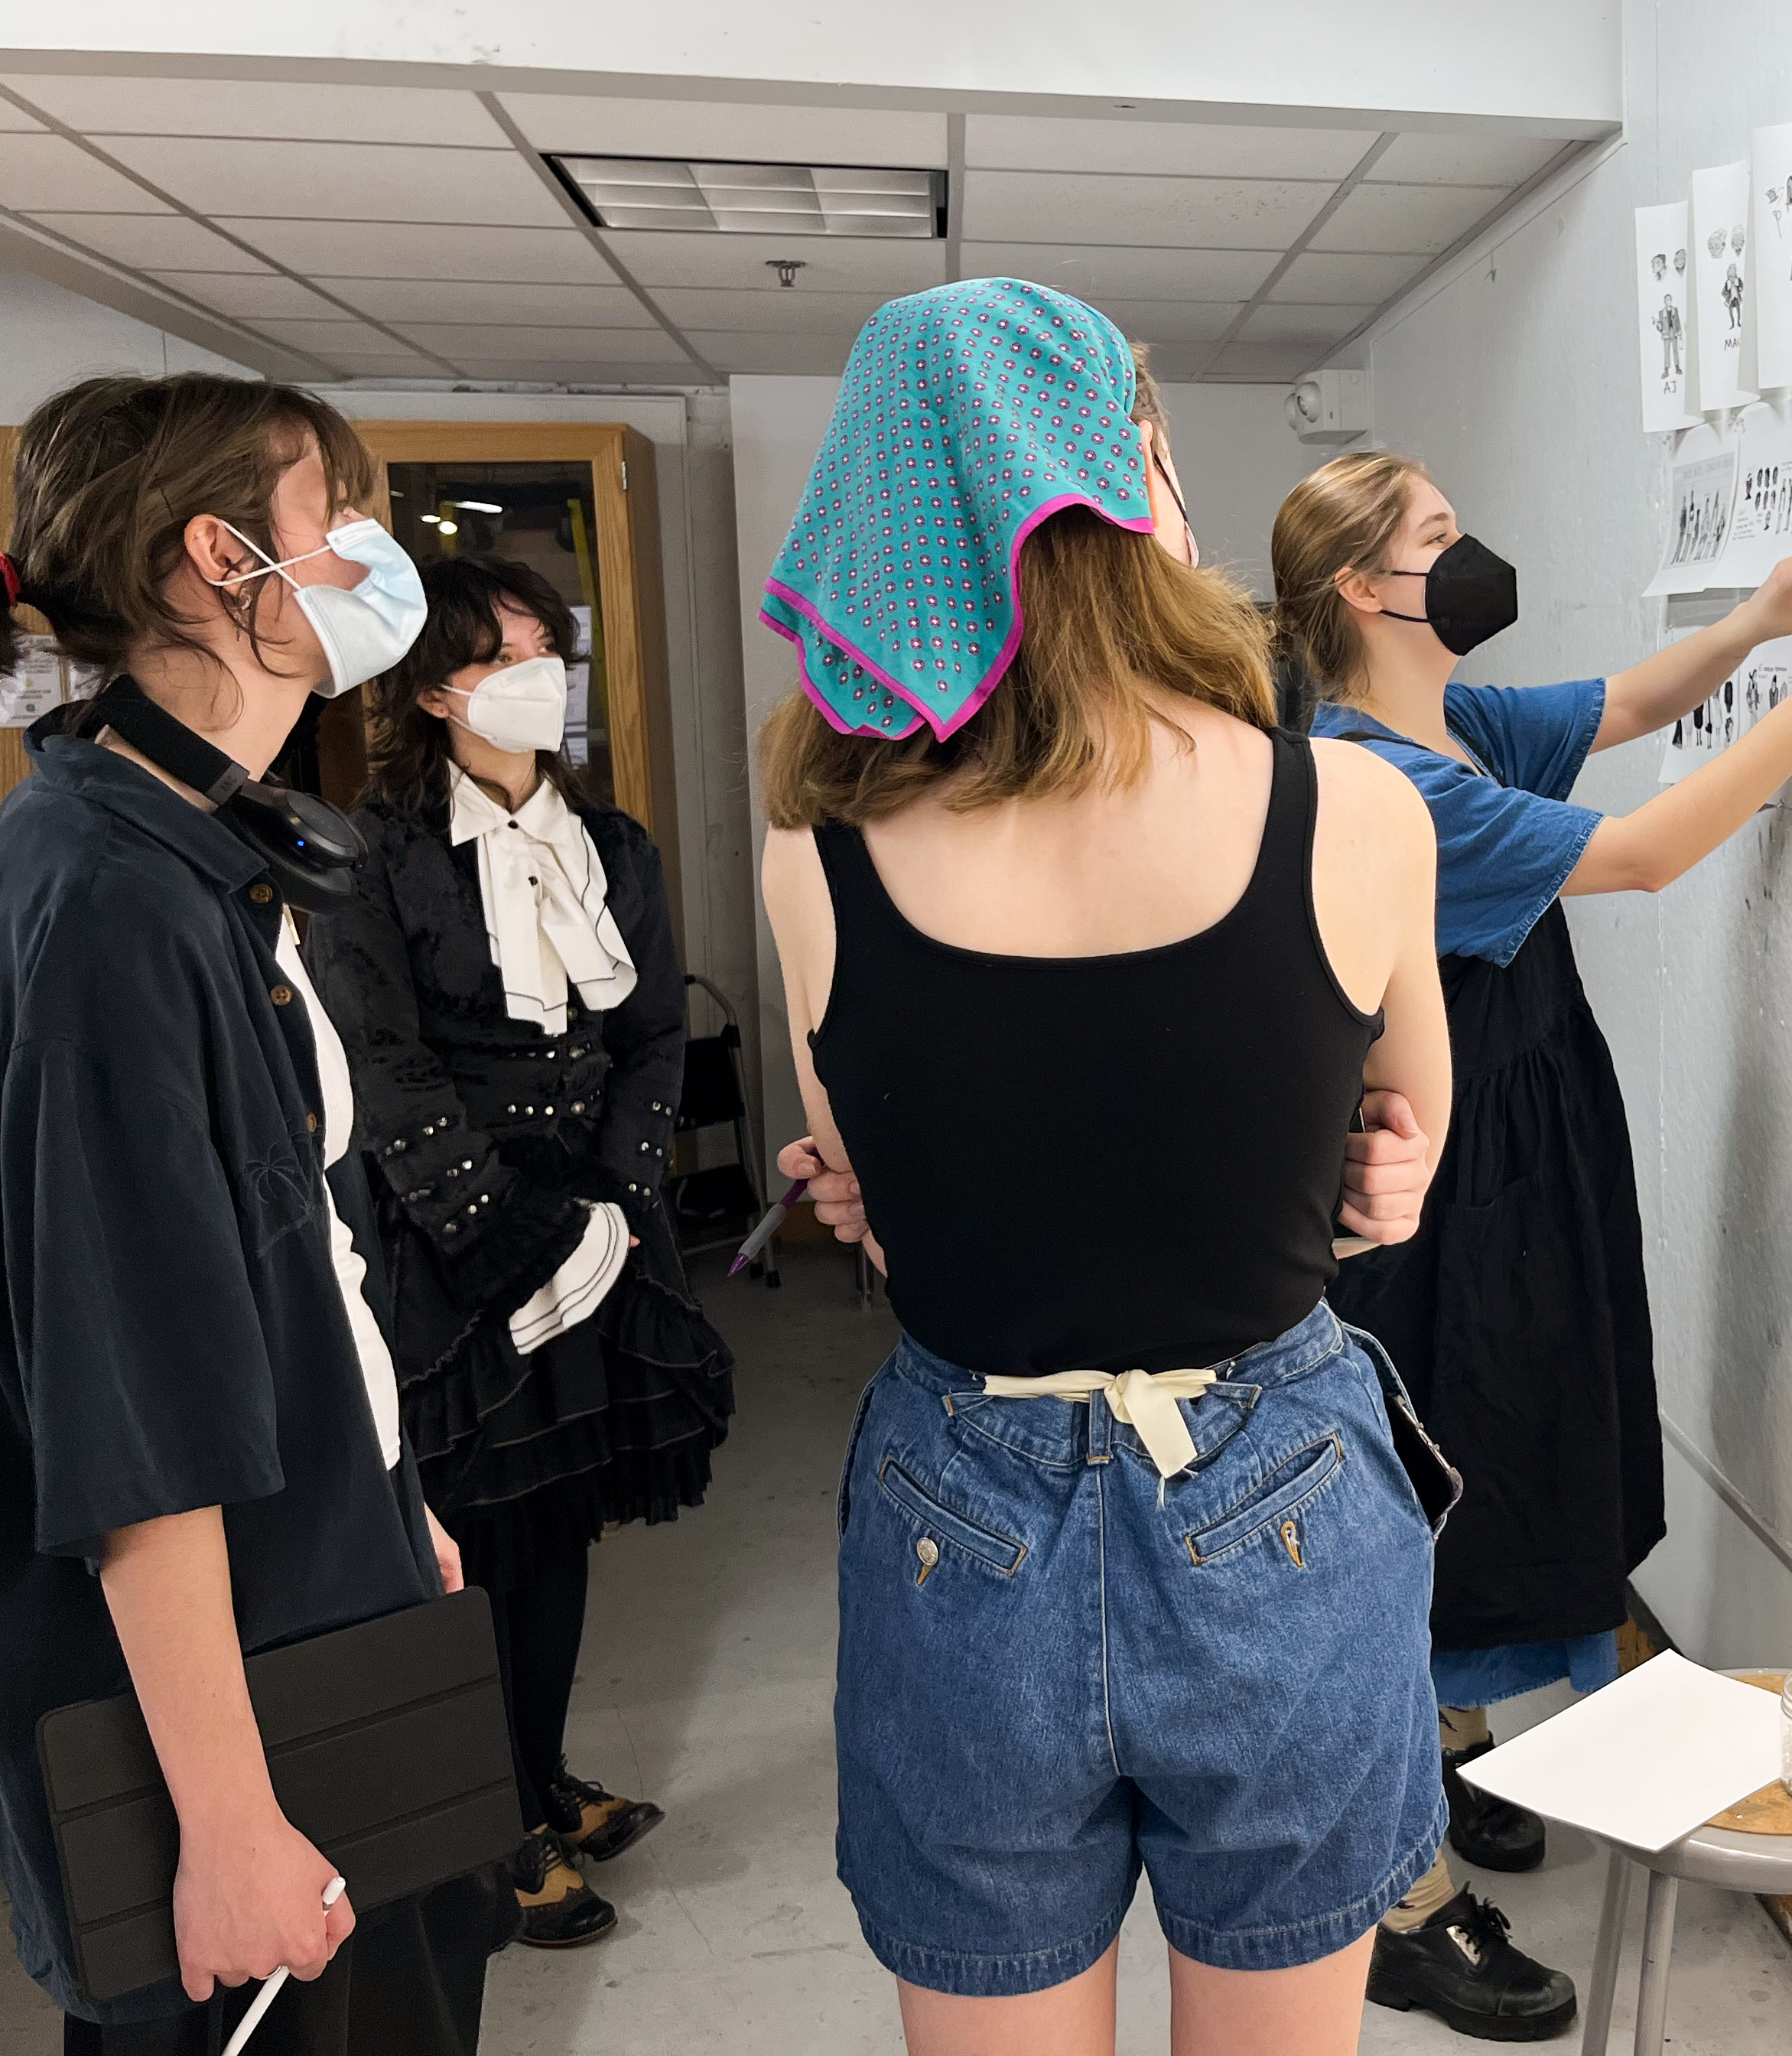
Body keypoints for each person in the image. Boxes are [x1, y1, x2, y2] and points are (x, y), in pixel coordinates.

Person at [754, 279, 1455, 2055]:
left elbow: (880, 1206)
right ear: (1135, 465)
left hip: (961, 1500)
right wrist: (1348, 1178)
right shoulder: (1354, 810)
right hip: (1276, 1478)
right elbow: (1399, 1148)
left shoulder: (811, 857)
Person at [1268, 450, 1792, 2039]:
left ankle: (1455, 1745)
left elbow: (1617, 706)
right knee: (1445, 1494)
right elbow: (1639, 850)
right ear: (1364, 589)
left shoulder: (1446, 722)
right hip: (1451, 1194)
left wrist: (1754, 621)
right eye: (1436, 537)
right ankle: (1405, 1908)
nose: (1471, 552)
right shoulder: (1388, 781)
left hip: (1523, 1153)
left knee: (1494, 1462)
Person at [0, 371, 508, 2049]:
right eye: (338, 520)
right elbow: (130, 1417)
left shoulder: (195, 841)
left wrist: (380, 1496)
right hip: (226, 1715)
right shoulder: (108, 900)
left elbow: (280, 1260)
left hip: (318, 1593)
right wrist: (229, 1826)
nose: (371, 559)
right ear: (222, 557)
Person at [304, 554, 736, 1947]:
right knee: (475, 1541)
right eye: (507, 651)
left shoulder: (614, 850)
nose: (545, 670)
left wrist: (617, 1199)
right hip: (462, 1244)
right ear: (434, 688)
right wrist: (507, 1229)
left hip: (600, 1231)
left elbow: (653, 1033)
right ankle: (484, 1823)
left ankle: (537, 1779)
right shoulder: (371, 857)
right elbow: (384, 1069)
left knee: (561, 1532)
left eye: (553, 644)